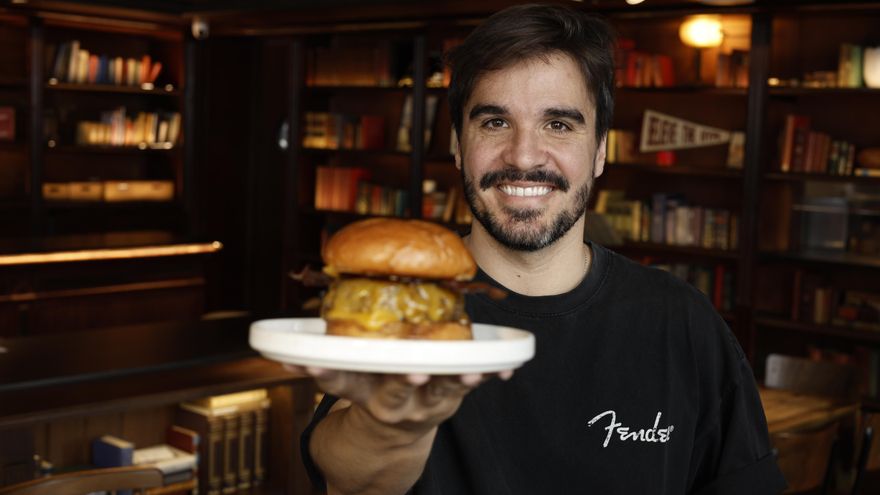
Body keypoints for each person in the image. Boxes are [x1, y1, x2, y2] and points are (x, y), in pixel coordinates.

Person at [297, 3, 787, 494]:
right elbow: (348, 477)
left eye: (559, 124)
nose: (524, 156)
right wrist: (393, 428)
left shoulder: (682, 320)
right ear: (458, 145)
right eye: (495, 122)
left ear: (599, 151)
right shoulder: (408, 306)